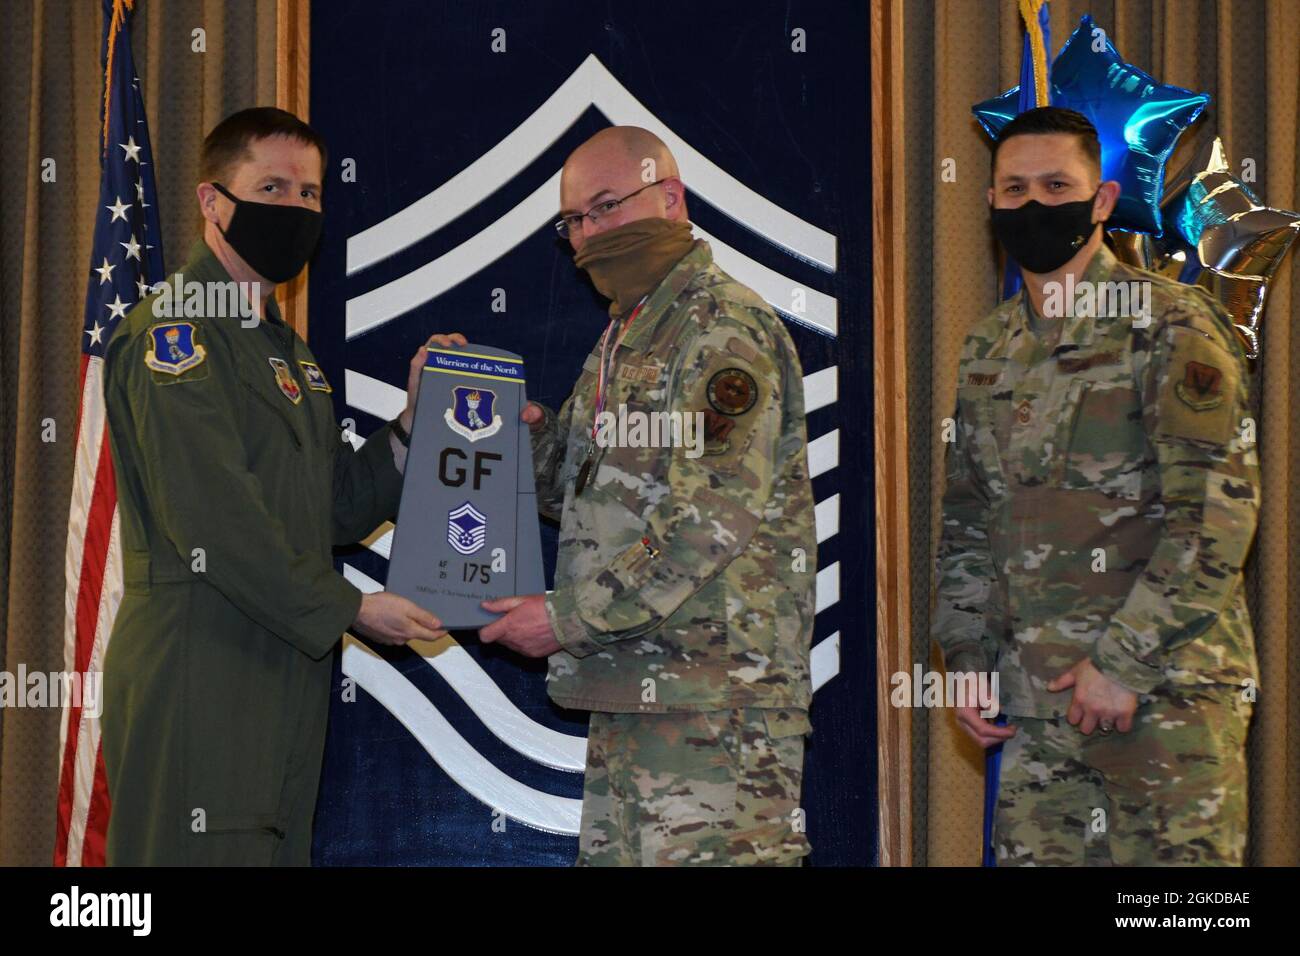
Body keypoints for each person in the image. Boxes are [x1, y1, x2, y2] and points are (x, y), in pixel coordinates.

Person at [433, 125, 817, 865]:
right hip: (636, 686)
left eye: (606, 208)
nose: (587, 237)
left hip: (713, 701)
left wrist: (566, 616)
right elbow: (579, 494)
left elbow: (709, 519)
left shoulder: (720, 329)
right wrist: (497, 424)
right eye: (574, 221)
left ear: (669, 197)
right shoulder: (628, 335)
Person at [101, 107, 446, 865]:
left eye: (310, 194)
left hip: (286, 673)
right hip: (204, 668)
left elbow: (336, 508)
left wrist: (414, 424)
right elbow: (214, 522)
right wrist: (353, 608)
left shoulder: (288, 353)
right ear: (212, 201)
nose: (294, 209)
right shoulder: (178, 335)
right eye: (272, 187)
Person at [933, 106, 1260, 865]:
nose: (1034, 205)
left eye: (1057, 185)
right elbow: (968, 521)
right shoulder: (989, 347)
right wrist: (968, 662)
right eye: (1013, 189)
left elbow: (1214, 516)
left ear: (1103, 201)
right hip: (1036, 710)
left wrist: (1123, 663)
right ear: (989, 200)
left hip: (1162, 701)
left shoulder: (1171, 326)